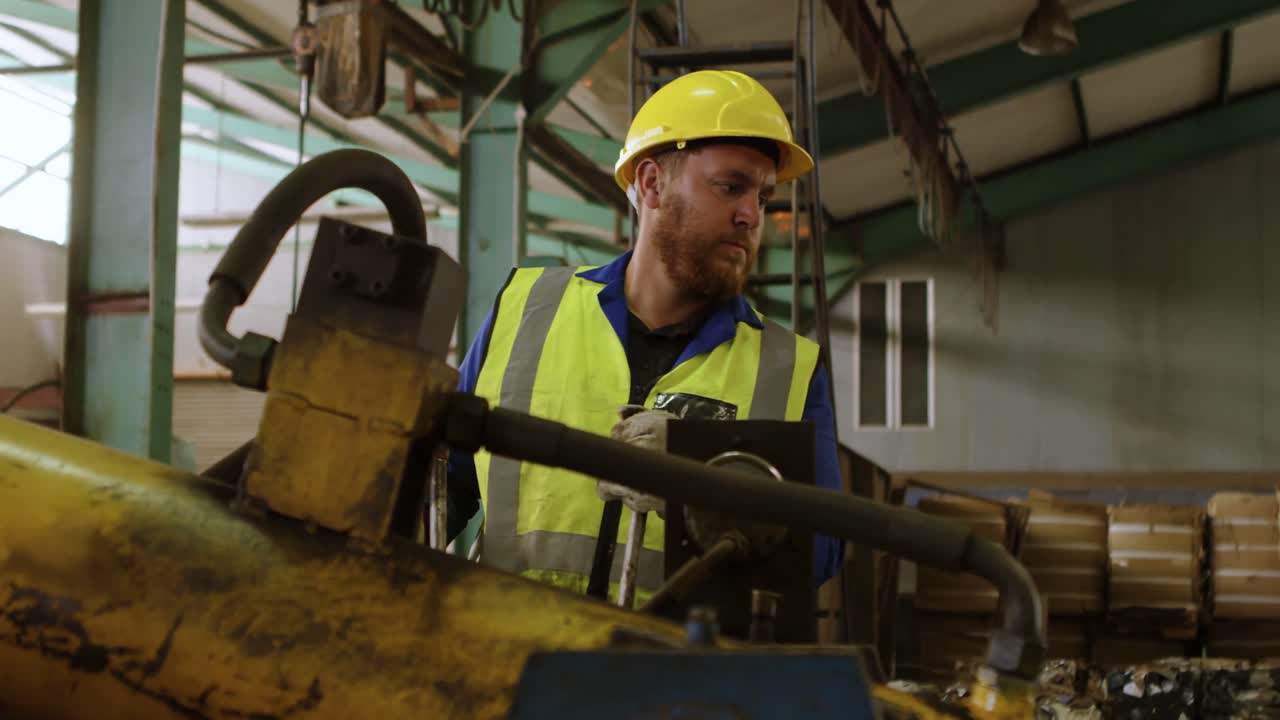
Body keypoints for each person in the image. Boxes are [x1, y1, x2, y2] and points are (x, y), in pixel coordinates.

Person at [446, 69, 843, 597]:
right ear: (653, 184)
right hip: (511, 657)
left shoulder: (788, 367)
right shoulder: (526, 311)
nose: (751, 215)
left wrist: (700, 480)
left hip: (677, 668)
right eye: (731, 187)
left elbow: (822, 550)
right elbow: (441, 485)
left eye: (764, 197)